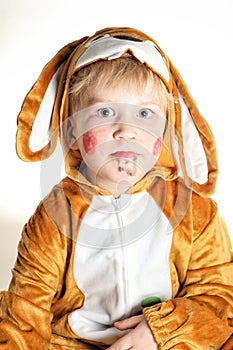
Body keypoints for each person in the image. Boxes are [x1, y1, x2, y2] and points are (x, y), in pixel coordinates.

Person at [0, 27, 232, 350]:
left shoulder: (195, 213)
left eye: (145, 113)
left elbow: (220, 299)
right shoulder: (54, 219)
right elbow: (25, 316)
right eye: (105, 112)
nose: (128, 130)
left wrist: (161, 331)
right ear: (71, 133)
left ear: (165, 128)